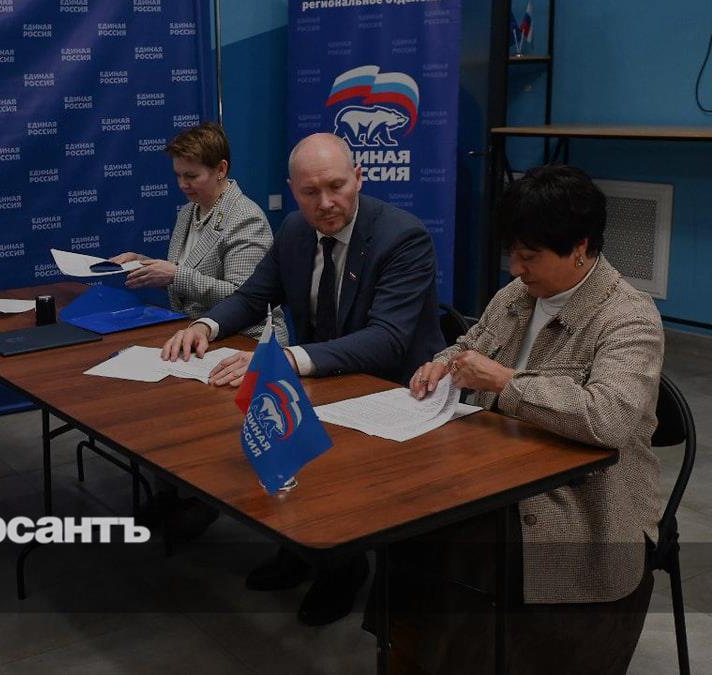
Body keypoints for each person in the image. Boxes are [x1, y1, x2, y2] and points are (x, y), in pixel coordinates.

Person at [161, 132, 445, 626]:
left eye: (336, 187)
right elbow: (254, 297)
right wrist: (206, 326)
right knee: (274, 426)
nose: (325, 203)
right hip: (326, 375)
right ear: (292, 189)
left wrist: (289, 359)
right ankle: (297, 549)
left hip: (394, 389)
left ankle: (342, 568)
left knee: (328, 461)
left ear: (359, 178)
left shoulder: (403, 237)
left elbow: (389, 339)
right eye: (310, 192)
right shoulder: (294, 230)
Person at [395, 164, 662, 673]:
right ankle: (411, 652)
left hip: (588, 500)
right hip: (500, 469)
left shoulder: (628, 317)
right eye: (512, 253)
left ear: (580, 247)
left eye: (530, 255)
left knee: (468, 550)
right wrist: (444, 364)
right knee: (411, 526)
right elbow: (470, 345)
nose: (516, 268)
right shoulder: (517, 296)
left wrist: (504, 382)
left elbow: (608, 417)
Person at [110, 122, 287, 343]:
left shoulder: (246, 218)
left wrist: (175, 275)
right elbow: (183, 277)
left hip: (246, 340)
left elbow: (246, 298)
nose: (182, 184)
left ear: (221, 170)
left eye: (191, 176)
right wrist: (142, 265)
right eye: (178, 175)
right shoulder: (187, 212)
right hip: (196, 335)